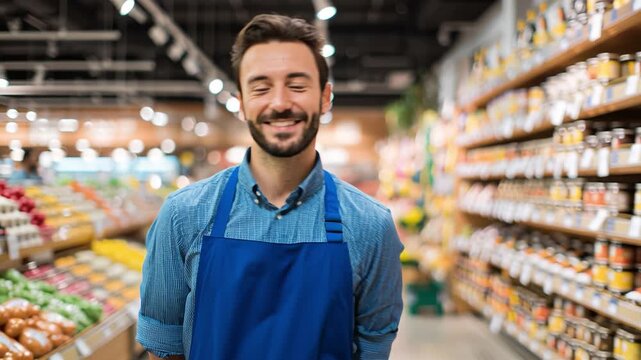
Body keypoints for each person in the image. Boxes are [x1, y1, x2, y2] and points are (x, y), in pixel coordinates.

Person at [137, 14, 403, 360]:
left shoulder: (370, 225)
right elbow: (164, 346)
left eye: (297, 85)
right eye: (261, 87)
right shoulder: (184, 215)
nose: (279, 103)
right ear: (242, 101)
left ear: (325, 98)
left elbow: (373, 351)